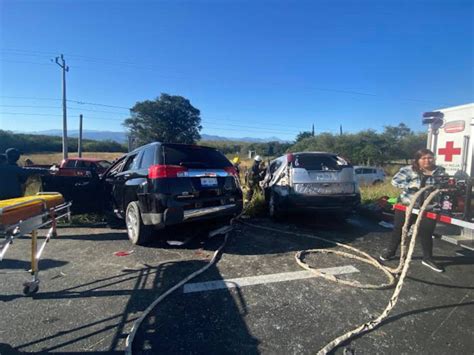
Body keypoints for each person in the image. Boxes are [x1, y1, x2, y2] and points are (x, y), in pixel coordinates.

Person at [379, 148, 446, 272]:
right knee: (400, 230)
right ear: (418, 160)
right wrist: (410, 186)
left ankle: (427, 258)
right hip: (407, 206)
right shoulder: (408, 170)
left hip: (429, 207)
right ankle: (391, 252)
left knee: (427, 233)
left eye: (430, 157)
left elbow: (445, 185)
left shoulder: (440, 171)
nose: (427, 160)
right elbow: (395, 181)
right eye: (423, 158)